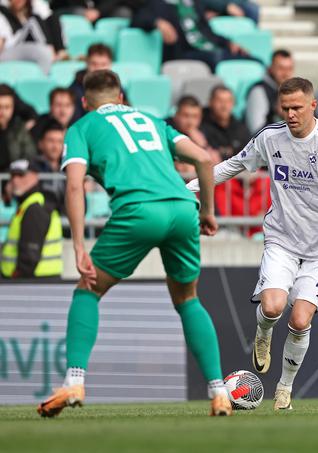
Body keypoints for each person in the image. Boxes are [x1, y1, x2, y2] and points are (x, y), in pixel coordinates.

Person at [37, 69, 233, 418]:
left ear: (85, 103)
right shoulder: (150, 119)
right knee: (188, 299)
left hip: (138, 212)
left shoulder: (81, 128)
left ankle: (74, 380)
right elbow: (204, 159)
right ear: (122, 98)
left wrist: (80, 245)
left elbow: (74, 185)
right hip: (182, 209)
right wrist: (208, 212)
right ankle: (219, 392)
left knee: (87, 288)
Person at [187, 77, 318, 410]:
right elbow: (234, 165)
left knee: (299, 320)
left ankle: (284, 388)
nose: (291, 114)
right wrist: (190, 188)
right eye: (285, 108)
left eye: (297, 107)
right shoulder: (270, 137)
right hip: (282, 239)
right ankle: (264, 333)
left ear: (313, 105)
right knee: (272, 308)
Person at [131, 0, 251, 70]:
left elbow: (207, 32)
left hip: (210, 49)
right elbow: (138, 18)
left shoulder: (194, 3)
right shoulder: (159, 4)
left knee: (251, 59)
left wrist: (229, 42)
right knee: (217, 57)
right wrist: (157, 22)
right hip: (185, 52)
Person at [0, 158, 62, 278]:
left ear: (35, 177)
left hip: (33, 283)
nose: (15, 180)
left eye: (21, 175)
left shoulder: (34, 207)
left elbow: (29, 256)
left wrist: (15, 279)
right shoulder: (29, 203)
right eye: (12, 176)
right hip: (38, 282)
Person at [0, 0, 65, 73]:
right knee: (33, 21)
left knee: (52, 18)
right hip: (8, 51)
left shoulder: (27, 12)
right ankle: (51, 53)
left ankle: (60, 51)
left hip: (21, 48)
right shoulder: (2, 13)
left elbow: (47, 13)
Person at [245, 49, 294, 134]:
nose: (286, 74)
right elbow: (256, 131)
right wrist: (279, 114)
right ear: (270, 68)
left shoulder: (294, 90)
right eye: (281, 68)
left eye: (289, 69)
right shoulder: (259, 91)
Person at [70, 44, 118, 122]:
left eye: (103, 64)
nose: (99, 69)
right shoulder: (75, 90)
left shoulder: (115, 85)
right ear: (87, 63)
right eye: (94, 64)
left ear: (110, 64)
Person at [201, 85, 250, 159]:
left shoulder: (240, 128)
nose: (224, 106)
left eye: (228, 101)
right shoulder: (200, 123)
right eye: (219, 101)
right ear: (210, 102)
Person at [0, 84, 36, 172]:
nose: (2, 111)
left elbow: (30, 155)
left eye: (7, 107)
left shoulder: (19, 129)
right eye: (0, 107)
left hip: (14, 181)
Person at [33, 119, 66, 212]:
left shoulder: (69, 169)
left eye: (59, 141)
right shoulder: (31, 168)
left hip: (64, 223)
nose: (55, 146)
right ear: (40, 144)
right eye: (51, 141)